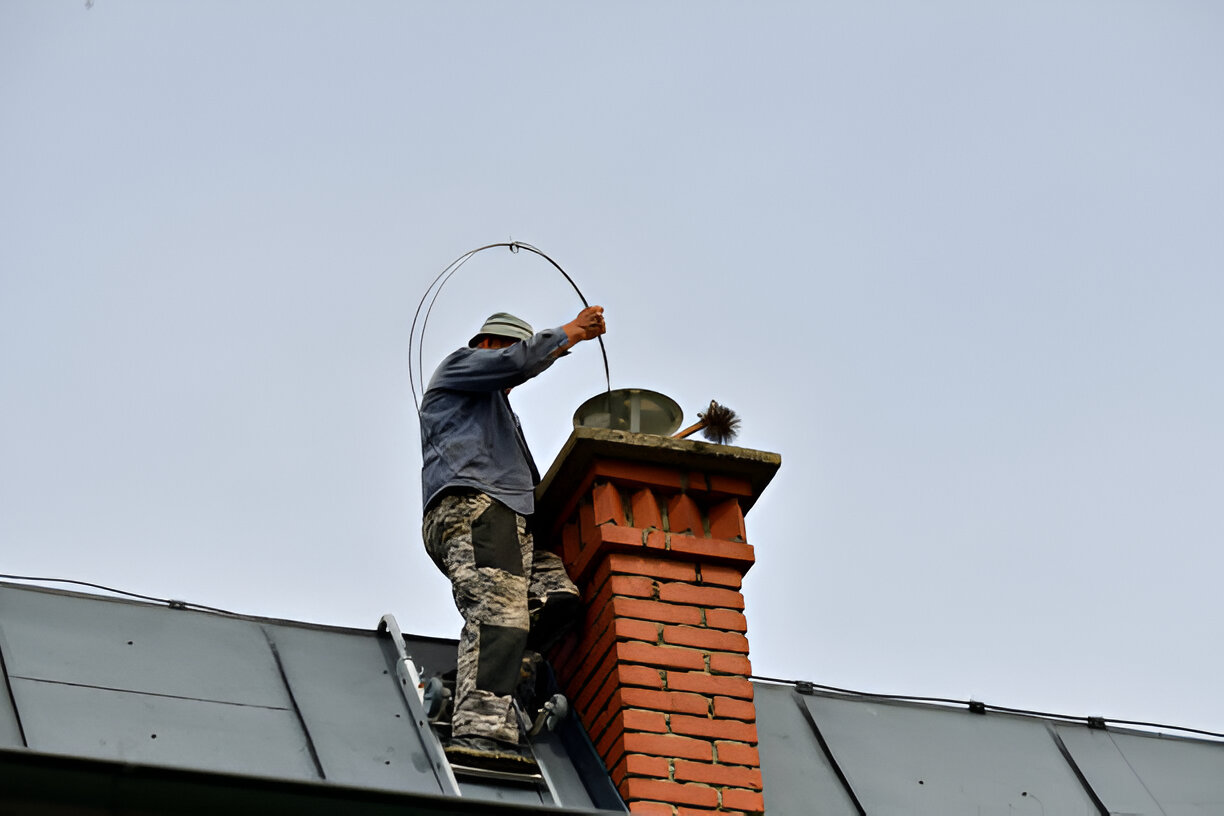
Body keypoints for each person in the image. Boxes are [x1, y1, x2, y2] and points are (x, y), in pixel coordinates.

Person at [419, 305, 606, 772]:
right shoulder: (459, 367)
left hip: (509, 517)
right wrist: (571, 334)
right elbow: (515, 362)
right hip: (475, 509)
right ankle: (481, 733)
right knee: (501, 617)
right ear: (485, 345)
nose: (511, 366)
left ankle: (464, 682)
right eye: (505, 348)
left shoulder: (498, 409)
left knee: (556, 599)